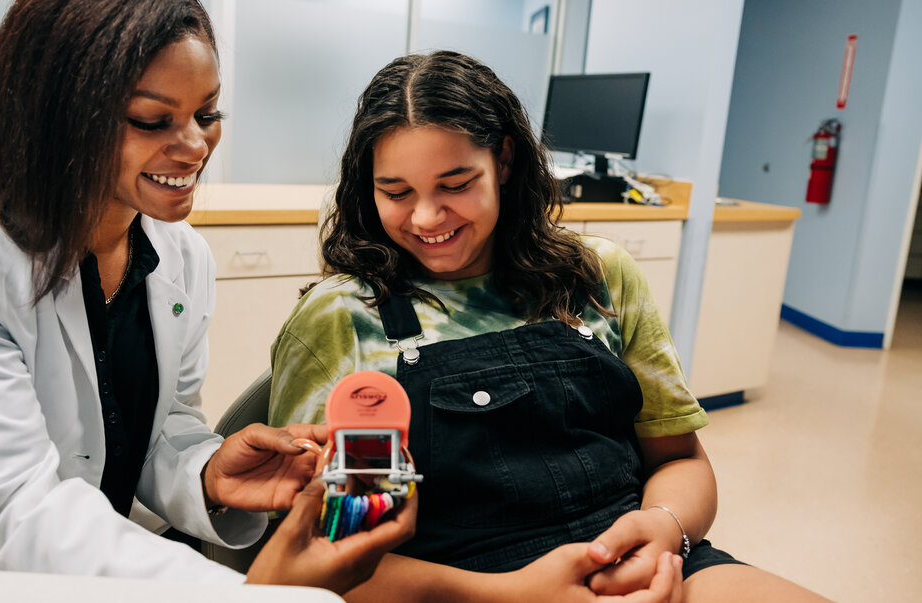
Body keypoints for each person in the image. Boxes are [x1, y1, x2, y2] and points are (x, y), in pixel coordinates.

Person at [0, 0, 415, 594]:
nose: (195, 145)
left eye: (208, 113)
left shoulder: (179, 255)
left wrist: (206, 470)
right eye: (152, 119)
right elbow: (10, 517)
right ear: (57, 113)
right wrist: (247, 594)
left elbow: (158, 425)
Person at [268, 51, 831, 602]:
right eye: (396, 193)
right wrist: (513, 593)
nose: (425, 217)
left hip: (640, 568)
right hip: (458, 589)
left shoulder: (599, 275)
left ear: (505, 161)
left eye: (456, 184)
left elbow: (678, 458)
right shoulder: (344, 320)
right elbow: (319, 559)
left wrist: (664, 527)